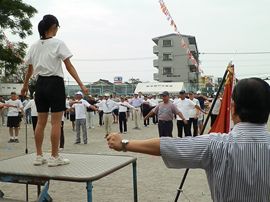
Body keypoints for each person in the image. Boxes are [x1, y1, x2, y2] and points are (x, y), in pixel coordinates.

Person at [107, 78, 270, 202]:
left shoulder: (216, 144)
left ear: (232, 108)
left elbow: (167, 145)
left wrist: (124, 144)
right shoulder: (215, 143)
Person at [21, 14, 88, 167]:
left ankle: (38, 156)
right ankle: (54, 156)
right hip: (55, 83)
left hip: (40, 84)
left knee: (40, 122)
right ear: (53, 27)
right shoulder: (58, 43)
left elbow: (30, 69)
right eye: (57, 27)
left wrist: (25, 86)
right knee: (56, 123)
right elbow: (69, 66)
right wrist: (81, 84)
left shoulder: (34, 46)